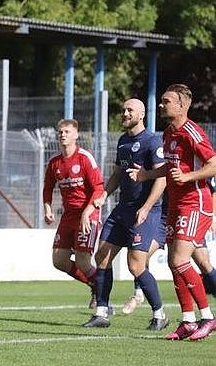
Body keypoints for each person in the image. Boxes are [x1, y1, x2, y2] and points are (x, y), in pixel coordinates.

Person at [128, 83, 216, 341]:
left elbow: (213, 164)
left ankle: (208, 318)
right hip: (175, 205)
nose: (161, 104)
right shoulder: (169, 133)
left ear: (181, 105)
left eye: (166, 101)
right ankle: (188, 321)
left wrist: (188, 176)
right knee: (173, 263)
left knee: (180, 261)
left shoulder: (192, 132)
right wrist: (146, 174)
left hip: (195, 204)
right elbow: (170, 167)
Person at [82, 99, 168, 330]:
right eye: (123, 110)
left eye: (130, 110)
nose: (125, 113)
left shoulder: (152, 141)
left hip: (145, 211)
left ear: (141, 115)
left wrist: (147, 207)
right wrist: (104, 194)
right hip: (122, 209)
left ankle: (160, 314)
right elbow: (118, 173)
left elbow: (162, 178)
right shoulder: (123, 141)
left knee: (136, 266)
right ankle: (101, 313)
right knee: (102, 257)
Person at [42, 119, 104, 306]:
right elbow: (47, 188)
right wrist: (47, 209)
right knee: (59, 260)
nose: (63, 135)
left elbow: (99, 188)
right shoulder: (54, 163)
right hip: (68, 216)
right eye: (60, 132)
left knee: (83, 261)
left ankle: (103, 301)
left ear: (76, 135)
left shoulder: (85, 158)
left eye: (67, 131)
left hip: (89, 214)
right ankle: (95, 284)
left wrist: (87, 212)